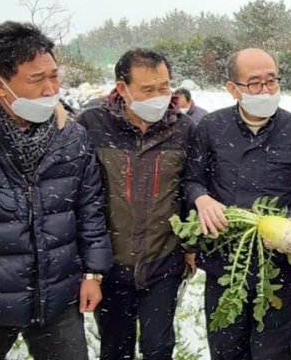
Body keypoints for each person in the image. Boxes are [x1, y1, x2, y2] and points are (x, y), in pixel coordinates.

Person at [187, 47, 291, 360]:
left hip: (277, 271)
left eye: (272, 81)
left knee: (271, 351)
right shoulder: (211, 128)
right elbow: (192, 180)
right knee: (226, 349)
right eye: (255, 83)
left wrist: (289, 227)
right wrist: (201, 198)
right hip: (226, 265)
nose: (266, 90)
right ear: (232, 88)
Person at [0, 21, 112, 360]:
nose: (51, 89)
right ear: (2, 86)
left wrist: (93, 273)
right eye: (36, 79)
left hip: (57, 293)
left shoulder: (71, 137)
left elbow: (89, 207)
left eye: (54, 77)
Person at [77, 49, 197, 360]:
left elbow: (191, 188)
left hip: (163, 262)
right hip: (112, 264)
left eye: (164, 86)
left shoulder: (183, 130)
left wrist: (190, 244)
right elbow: (81, 192)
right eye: (147, 89)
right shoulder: (93, 124)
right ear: (121, 89)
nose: (159, 96)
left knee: (158, 347)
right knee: (116, 348)